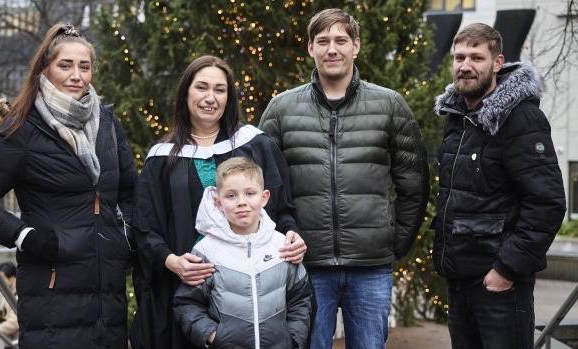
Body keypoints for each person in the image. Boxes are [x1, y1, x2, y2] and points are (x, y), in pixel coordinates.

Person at [259, 7, 430, 349]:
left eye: (341, 40)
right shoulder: (281, 109)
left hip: (370, 267)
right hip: (304, 265)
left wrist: (394, 243)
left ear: (356, 46)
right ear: (310, 48)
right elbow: (263, 186)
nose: (331, 49)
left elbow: (414, 185)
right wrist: (282, 239)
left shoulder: (389, 105)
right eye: (323, 41)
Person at [0, 23, 136, 349]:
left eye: (84, 66)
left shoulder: (108, 124)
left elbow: (128, 192)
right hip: (52, 291)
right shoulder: (24, 128)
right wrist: (25, 236)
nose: (76, 75)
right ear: (46, 69)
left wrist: (123, 237)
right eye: (65, 65)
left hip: (106, 290)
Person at [130, 55, 307, 349]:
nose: (210, 97)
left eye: (220, 89)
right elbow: (145, 226)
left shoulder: (255, 145)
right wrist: (171, 261)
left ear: (229, 97)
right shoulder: (162, 158)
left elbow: (283, 208)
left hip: (254, 297)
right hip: (187, 291)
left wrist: (293, 235)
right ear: (186, 92)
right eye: (201, 87)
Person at [432, 23, 566, 349]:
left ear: (497, 63)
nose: (465, 65)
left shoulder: (520, 119)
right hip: (460, 282)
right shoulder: (456, 119)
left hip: (501, 288)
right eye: (459, 57)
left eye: (476, 57)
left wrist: (505, 270)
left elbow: (547, 203)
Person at [173, 157, 312, 348]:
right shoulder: (206, 251)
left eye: (250, 193)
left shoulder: (283, 246)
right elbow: (188, 304)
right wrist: (212, 336)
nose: (241, 202)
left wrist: (293, 340)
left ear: (264, 198)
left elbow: (300, 299)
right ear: (218, 203)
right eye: (231, 196)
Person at [0, 262, 18, 347]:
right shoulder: (7, 292)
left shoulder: (19, 296)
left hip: (17, 343)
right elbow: (4, 314)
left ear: (11, 278)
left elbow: (13, 324)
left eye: (1, 278)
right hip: (9, 342)